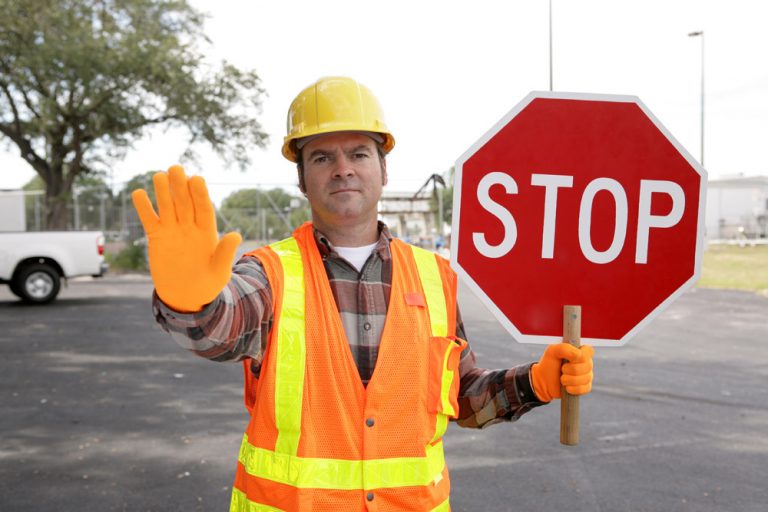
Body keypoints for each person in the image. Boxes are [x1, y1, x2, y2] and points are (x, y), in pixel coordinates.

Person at [132, 76, 594, 512]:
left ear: (384, 169)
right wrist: (189, 301)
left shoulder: (435, 275)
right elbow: (219, 329)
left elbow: (458, 397)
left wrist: (534, 383)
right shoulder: (269, 275)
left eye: (358, 153)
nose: (343, 169)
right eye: (321, 158)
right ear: (302, 179)